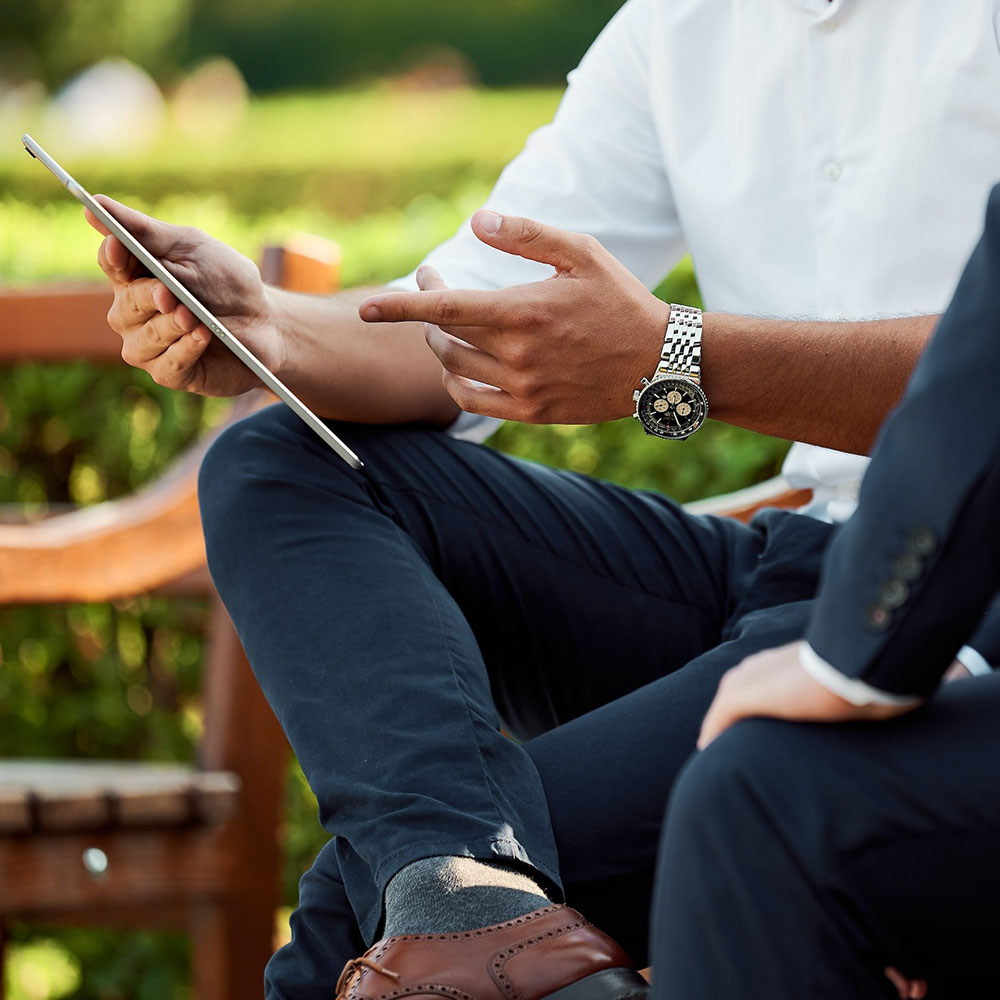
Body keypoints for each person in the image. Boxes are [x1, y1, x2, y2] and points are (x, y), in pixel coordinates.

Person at [87, 2, 1000, 997]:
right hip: (789, 564)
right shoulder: (679, 25)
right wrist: (269, 327)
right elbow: (473, 315)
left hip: (954, 583)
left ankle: (459, 908)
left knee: (352, 929)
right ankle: (465, 894)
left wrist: (676, 358)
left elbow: (981, 375)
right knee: (277, 462)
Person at [651, 183, 1000, 1000]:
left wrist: (865, 653)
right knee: (403, 867)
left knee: (758, 800)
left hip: (890, 601)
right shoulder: (660, 52)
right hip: (790, 557)